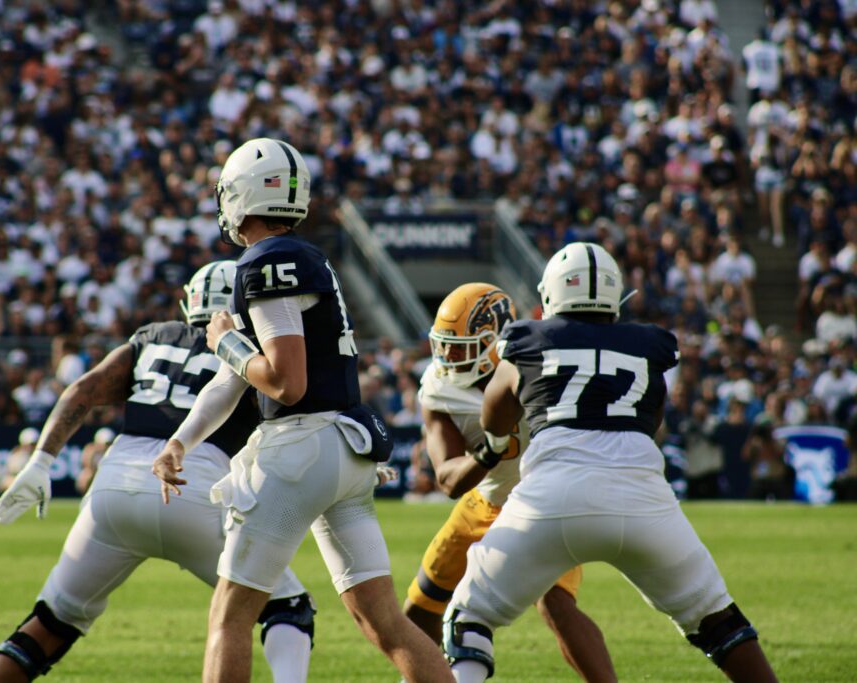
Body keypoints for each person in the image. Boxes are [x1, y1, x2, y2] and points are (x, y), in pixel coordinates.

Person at [152, 137, 453, 683]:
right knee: (382, 619)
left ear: (240, 194)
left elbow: (286, 383)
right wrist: (181, 441)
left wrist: (224, 341)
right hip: (346, 448)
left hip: (299, 447)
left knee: (230, 615)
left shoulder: (267, 260)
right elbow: (234, 379)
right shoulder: (303, 257)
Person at [442, 242, 778, 683]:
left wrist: (498, 434)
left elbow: (495, 410)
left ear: (552, 295)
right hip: (644, 502)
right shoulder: (648, 346)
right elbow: (652, 421)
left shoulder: (528, 339)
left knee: (468, 620)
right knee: (717, 619)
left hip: (551, 499)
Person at [0, 261, 317, 683]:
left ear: (190, 301)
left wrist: (41, 461)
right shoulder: (253, 349)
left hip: (114, 488)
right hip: (197, 489)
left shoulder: (153, 337)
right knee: (287, 607)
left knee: (52, 621)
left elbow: (85, 389)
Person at [401, 283, 615, 682]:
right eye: (445, 345)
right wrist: (488, 450)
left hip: (543, 502)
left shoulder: (535, 366)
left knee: (555, 604)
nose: (449, 357)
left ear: (495, 341)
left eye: (462, 346)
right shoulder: (438, 385)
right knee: (417, 611)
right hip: (485, 499)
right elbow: (448, 478)